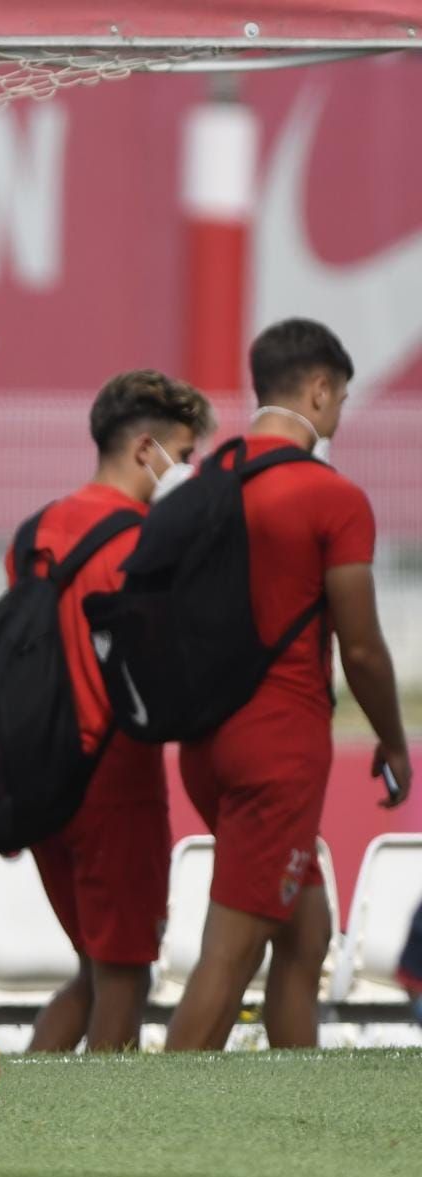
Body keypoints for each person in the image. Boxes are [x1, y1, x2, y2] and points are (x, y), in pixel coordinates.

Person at [166, 319, 412, 1051]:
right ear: (320, 389)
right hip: (279, 747)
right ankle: (149, 1108)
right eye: (341, 400)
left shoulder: (207, 481)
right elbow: (361, 647)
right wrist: (393, 740)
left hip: (205, 741)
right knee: (231, 954)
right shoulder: (330, 497)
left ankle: (296, 1082)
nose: (338, 415)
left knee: (306, 931)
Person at [12, 371, 213, 1052]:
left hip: (41, 779)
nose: (186, 471)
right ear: (145, 449)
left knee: (92, 973)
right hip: (115, 779)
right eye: (183, 455)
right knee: (123, 976)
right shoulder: (145, 541)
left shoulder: (35, 532)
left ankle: (14, 1101)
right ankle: (106, 1116)